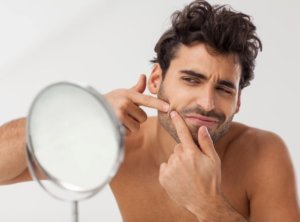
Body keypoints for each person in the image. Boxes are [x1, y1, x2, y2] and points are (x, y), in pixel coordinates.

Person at [0, 0, 299, 221]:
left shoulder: (263, 154)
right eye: (191, 79)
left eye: (224, 88)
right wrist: (87, 113)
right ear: (156, 80)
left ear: (238, 101)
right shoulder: (118, 145)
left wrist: (209, 205)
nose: (207, 103)